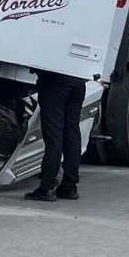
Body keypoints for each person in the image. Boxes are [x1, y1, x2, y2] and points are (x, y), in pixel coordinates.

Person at [24, 70, 86, 201]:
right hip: (79, 79)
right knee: (72, 132)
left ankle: (47, 187)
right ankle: (70, 186)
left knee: (54, 135)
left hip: (55, 80)